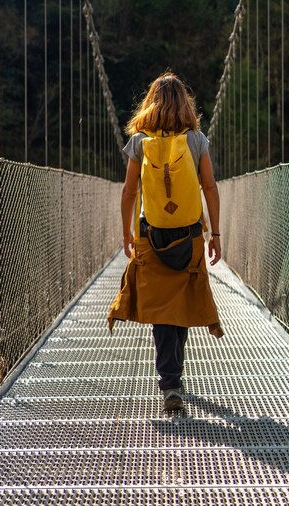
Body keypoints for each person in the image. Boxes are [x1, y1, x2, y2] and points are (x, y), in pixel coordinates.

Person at [108, 72, 223, 413]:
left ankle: (170, 385)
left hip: (152, 236)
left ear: (150, 104)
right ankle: (174, 379)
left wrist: (127, 232)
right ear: (185, 104)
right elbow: (210, 188)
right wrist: (215, 234)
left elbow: (129, 191)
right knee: (180, 307)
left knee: (162, 312)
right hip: (189, 237)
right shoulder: (196, 139)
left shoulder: (140, 142)